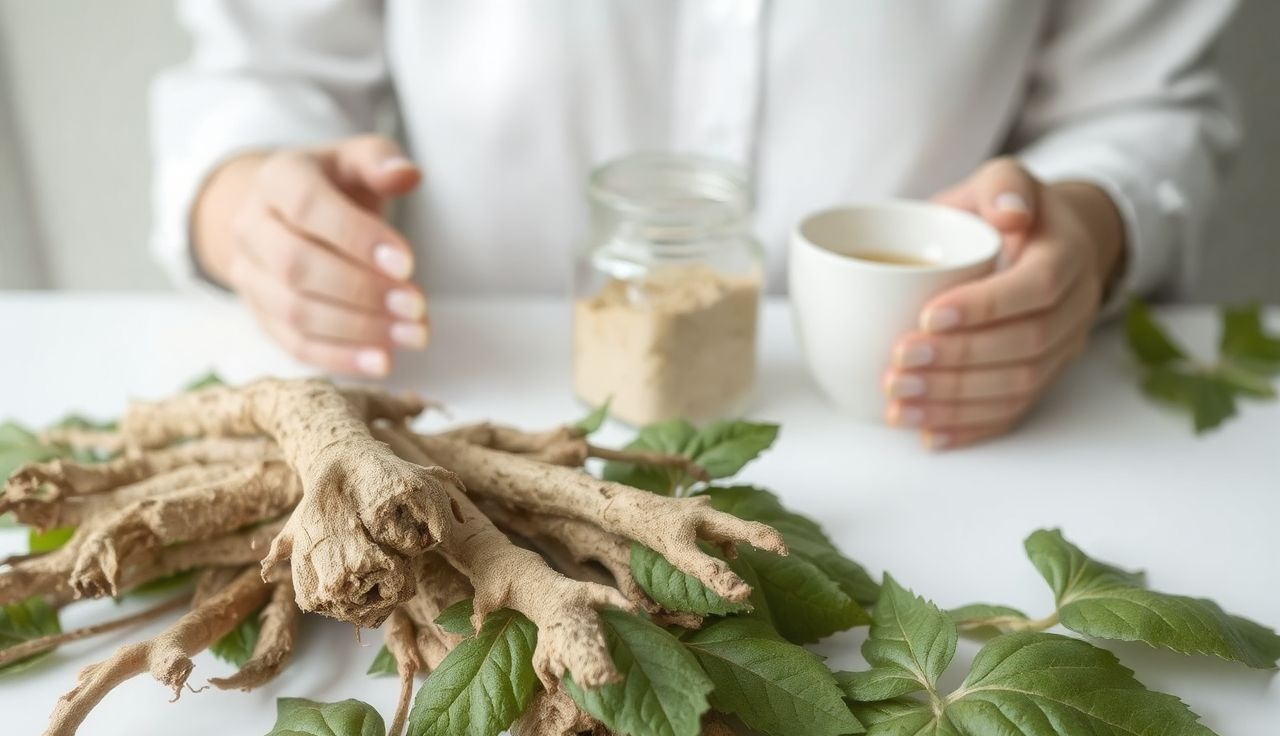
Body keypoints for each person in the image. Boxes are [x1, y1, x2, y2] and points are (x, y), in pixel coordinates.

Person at [151, 0, 1239, 449]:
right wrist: (250, 202)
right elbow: (260, 72)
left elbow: (1140, 108)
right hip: (459, 397)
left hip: (928, 421)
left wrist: (1089, 230)